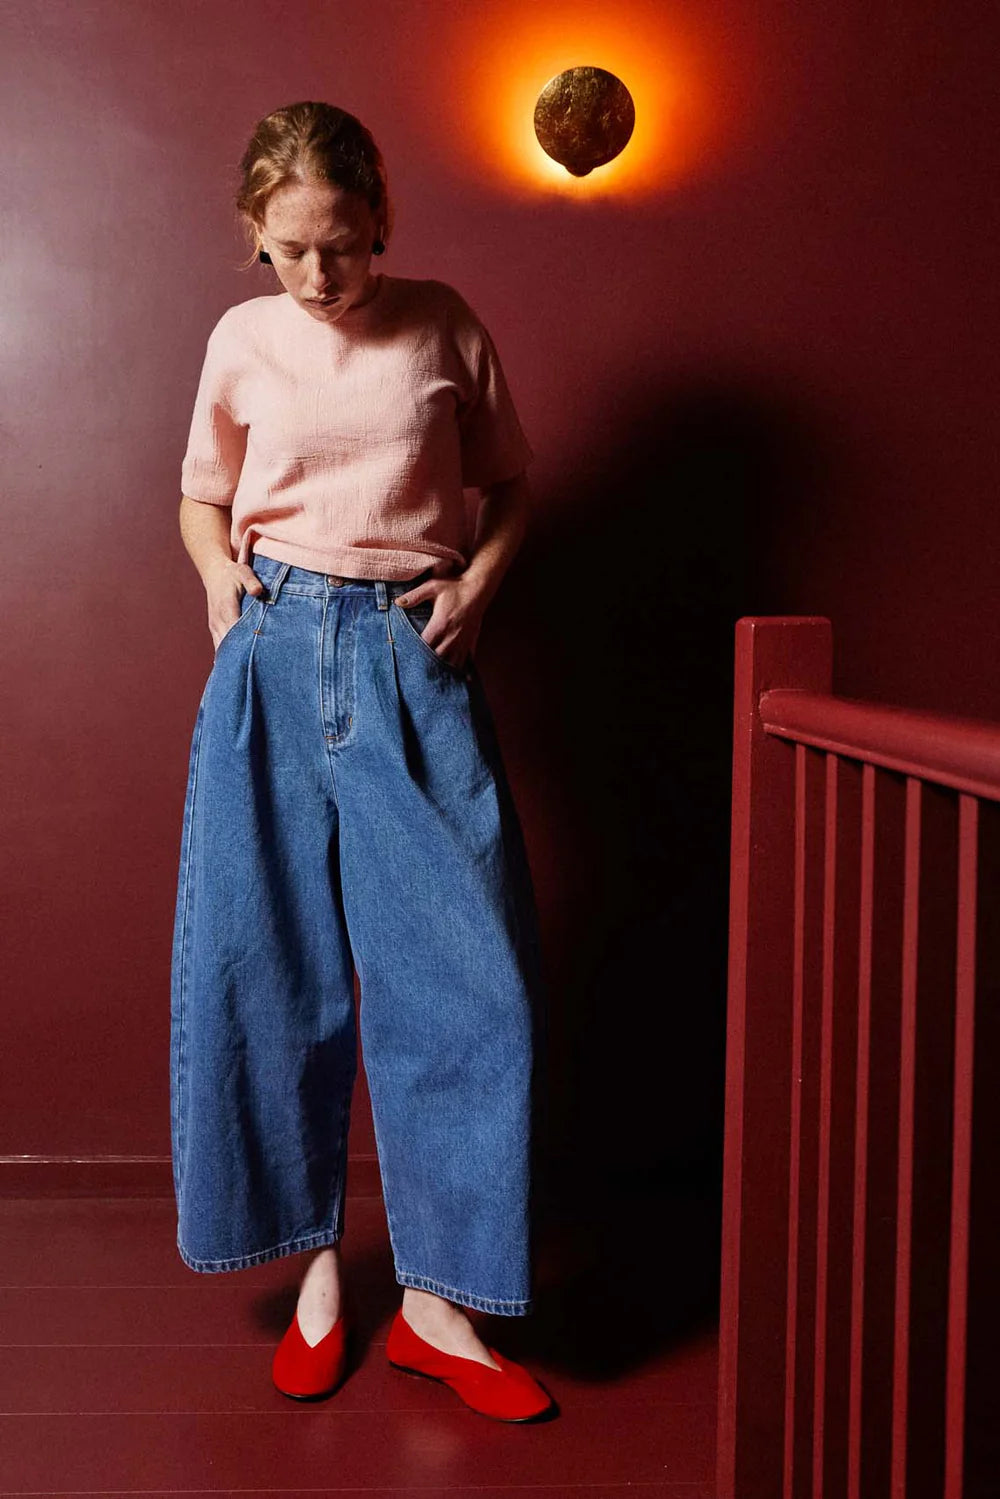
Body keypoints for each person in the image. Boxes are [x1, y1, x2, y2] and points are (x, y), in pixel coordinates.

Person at [169, 101, 554, 1422]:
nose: (321, 279)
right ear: (255, 239)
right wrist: (224, 588)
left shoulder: (442, 321)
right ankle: (321, 1274)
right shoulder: (241, 338)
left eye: (343, 247)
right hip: (273, 644)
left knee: (465, 975)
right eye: (290, 251)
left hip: (407, 653)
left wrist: (482, 589)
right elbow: (201, 492)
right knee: (264, 961)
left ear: (379, 224)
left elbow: (510, 487)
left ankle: (441, 1305)